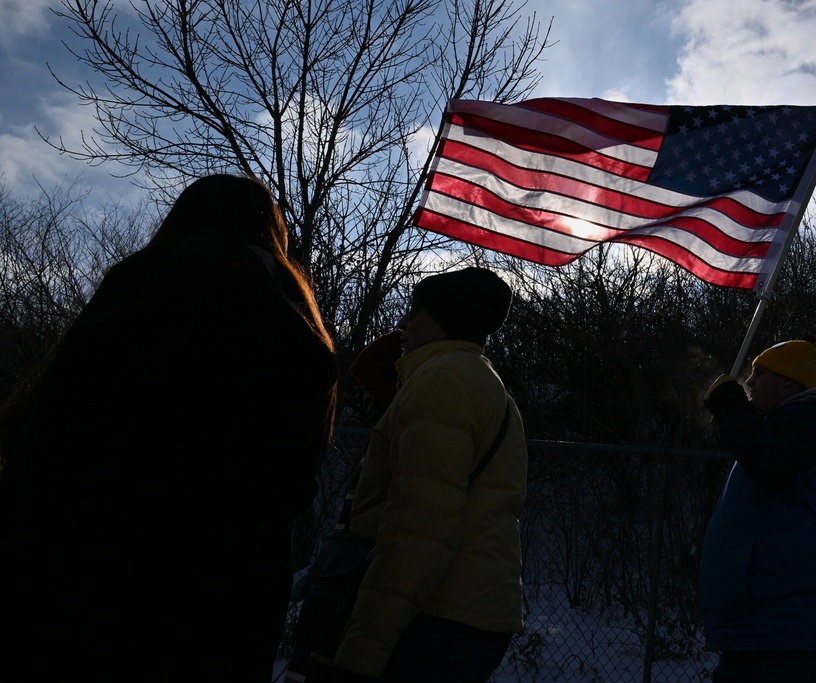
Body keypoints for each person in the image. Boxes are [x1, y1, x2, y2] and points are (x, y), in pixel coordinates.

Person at [0, 174, 339, 682]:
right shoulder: (297, 316)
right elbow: (297, 478)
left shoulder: (148, 278)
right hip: (228, 592)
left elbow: (57, 423)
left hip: (90, 570)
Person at [310, 266, 528, 682]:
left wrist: (361, 653)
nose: (404, 323)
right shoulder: (484, 382)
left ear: (446, 320)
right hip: (471, 614)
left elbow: (418, 532)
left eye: (416, 312)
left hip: (435, 618)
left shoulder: (441, 384)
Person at [700, 338, 816, 683]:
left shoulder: (808, 419)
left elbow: (772, 465)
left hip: (791, 630)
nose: (749, 381)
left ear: (789, 381)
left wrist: (732, 410)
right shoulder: (794, 425)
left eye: (760, 374)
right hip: (773, 628)